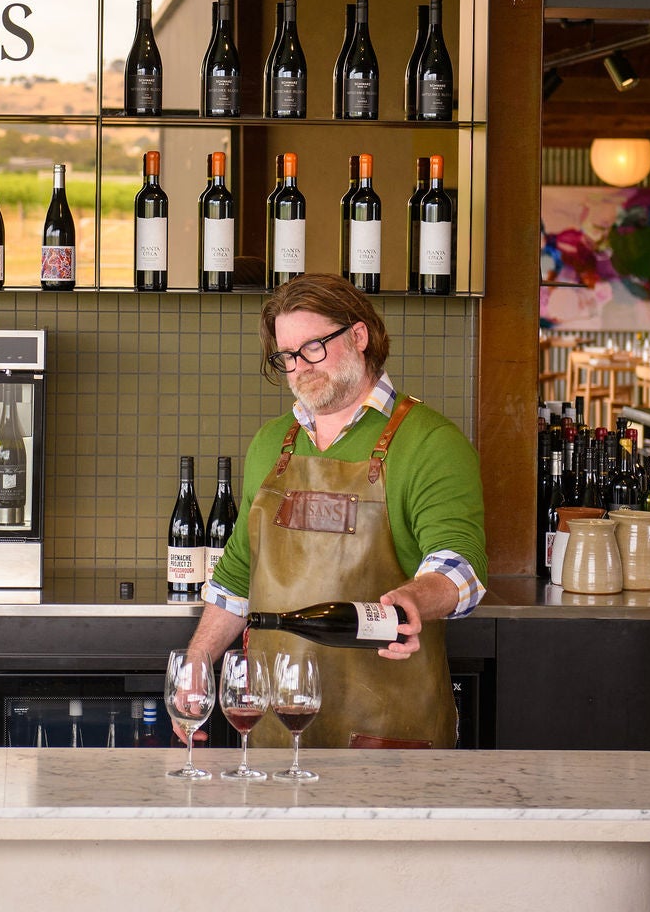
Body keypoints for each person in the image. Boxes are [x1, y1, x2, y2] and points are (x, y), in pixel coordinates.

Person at [180, 273, 486, 749]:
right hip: (276, 731)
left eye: (314, 347)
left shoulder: (430, 441)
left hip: (386, 737)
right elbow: (238, 574)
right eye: (287, 356)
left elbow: (459, 567)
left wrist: (412, 600)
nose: (299, 366)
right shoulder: (271, 443)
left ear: (358, 336)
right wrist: (198, 662)